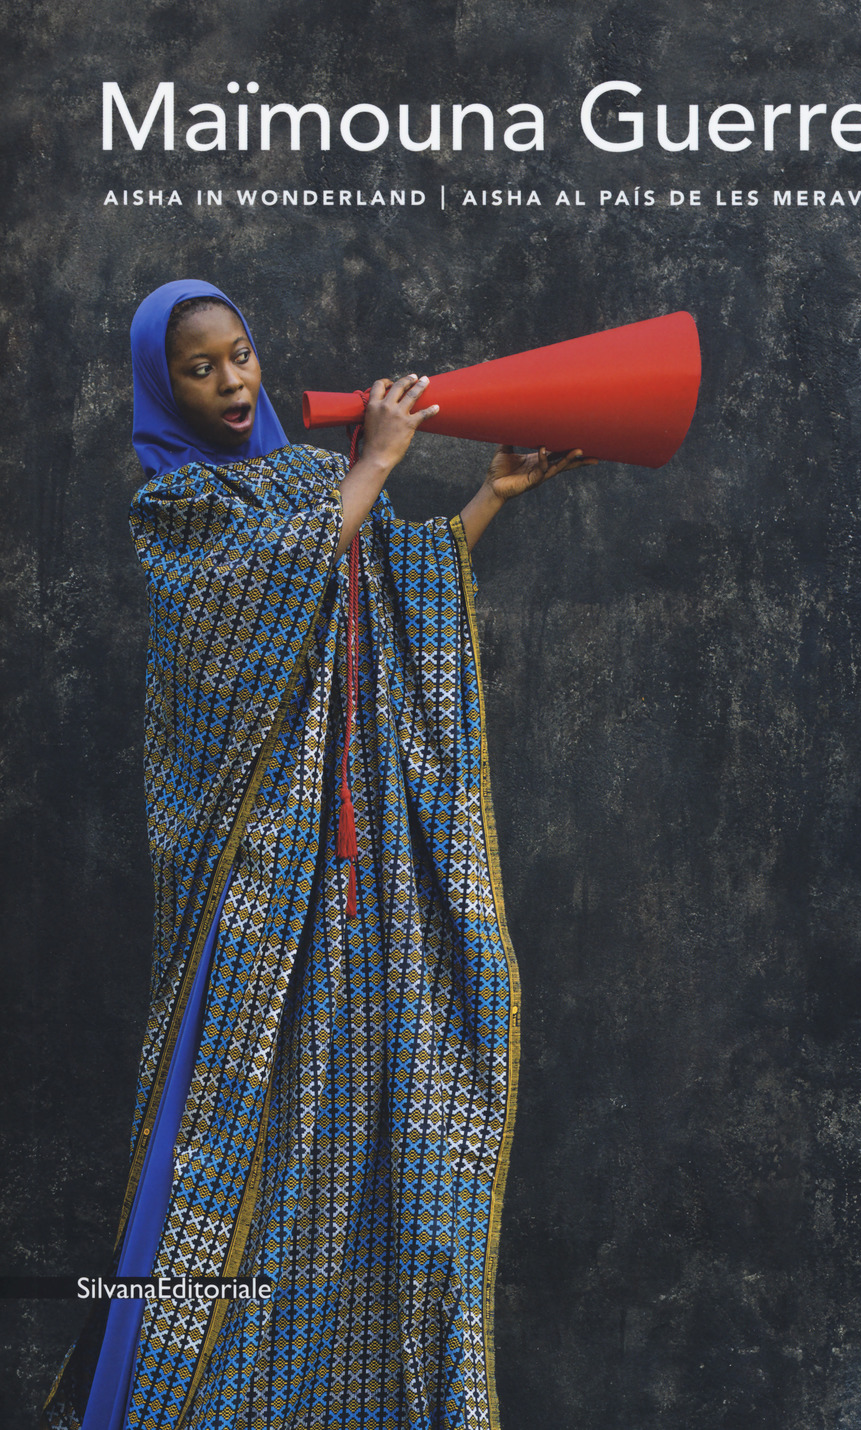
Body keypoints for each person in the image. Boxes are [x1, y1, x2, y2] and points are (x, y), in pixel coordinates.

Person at [43, 279, 592, 1430]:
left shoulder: (308, 478)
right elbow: (270, 596)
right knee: (230, 1168)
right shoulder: (177, 509)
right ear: (164, 383)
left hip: (360, 892)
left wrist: (488, 496)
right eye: (202, 367)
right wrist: (380, 463)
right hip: (256, 909)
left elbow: (391, 588)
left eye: (241, 353)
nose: (235, 381)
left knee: (383, 1158)